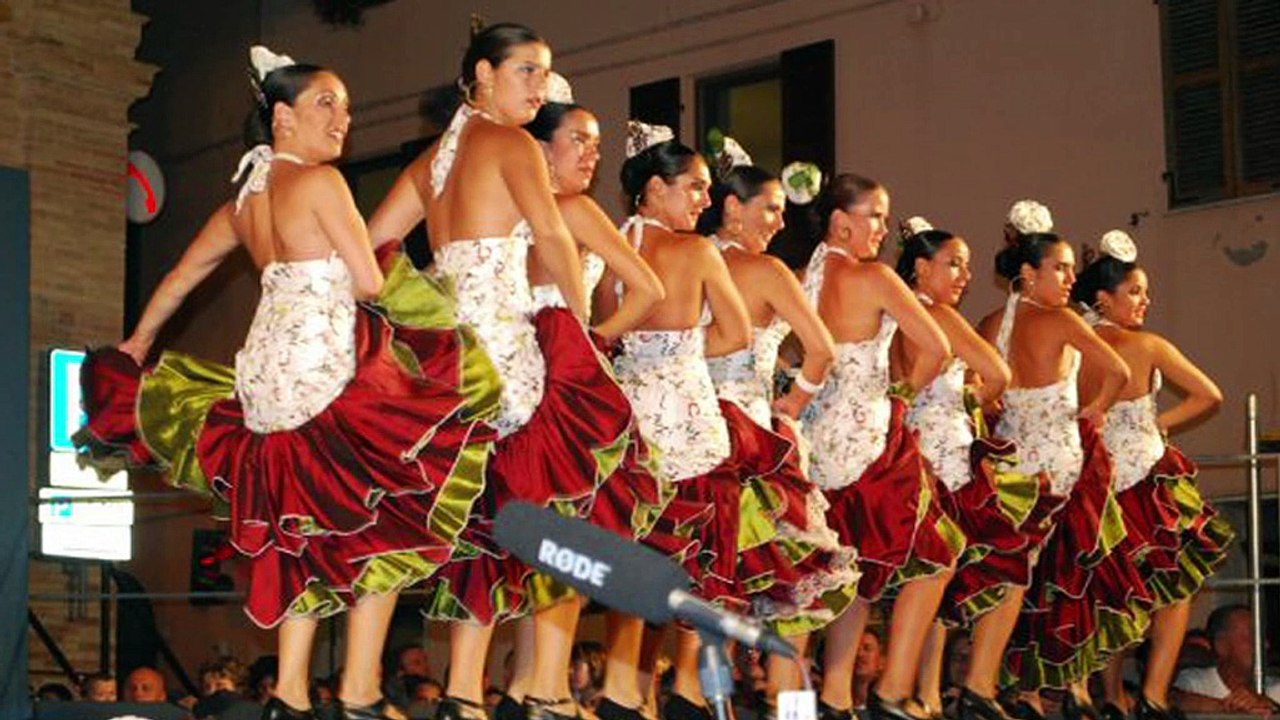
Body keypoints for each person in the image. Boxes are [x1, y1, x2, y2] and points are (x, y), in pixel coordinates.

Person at [77, 46, 498, 720]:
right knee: (393, 506)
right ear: (281, 117)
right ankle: (358, 691)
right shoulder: (322, 185)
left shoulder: (244, 201)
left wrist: (135, 345)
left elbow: (182, 279)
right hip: (324, 373)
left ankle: (293, 692)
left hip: (267, 390)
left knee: (298, 538)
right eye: (326, 103)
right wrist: (432, 302)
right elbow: (368, 281)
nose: (343, 119)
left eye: (347, 107)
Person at [364, 22, 589, 720]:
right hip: (507, 363)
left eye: (544, 73)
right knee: (520, 521)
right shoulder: (513, 143)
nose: (540, 87)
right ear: (483, 75)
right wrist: (578, 345)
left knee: (460, 525)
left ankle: (440, 691)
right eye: (525, 71)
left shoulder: (434, 159)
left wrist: (422, 305)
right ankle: (493, 690)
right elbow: (553, 239)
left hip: (446, 363)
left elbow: (372, 250)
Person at [609, 122, 811, 720]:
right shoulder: (696, 251)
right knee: (699, 551)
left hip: (629, 410)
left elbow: (603, 323)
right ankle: (692, 693)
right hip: (690, 416)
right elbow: (735, 333)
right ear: (654, 188)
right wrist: (685, 350)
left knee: (640, 545)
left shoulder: (615, 243)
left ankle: (629, 689)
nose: (703, 199)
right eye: (693, 188)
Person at [799, 174, 962, 720]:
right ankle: (891, 692)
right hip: (869, 441)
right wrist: (901, 393)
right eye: (875, 216)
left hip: (812, 442)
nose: (884, 229)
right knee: (935, 553)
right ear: (841, 222)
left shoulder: (802, 276)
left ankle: (826, 700)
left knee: (824, 582)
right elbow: (937, 346)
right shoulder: (874, 277)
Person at [697, 153, 859, 700]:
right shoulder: (765, 271)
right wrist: (791, 405)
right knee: (795, 596)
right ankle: (789, 710)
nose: (780, 221)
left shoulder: (684, 258)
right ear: (732, 208)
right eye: (770, 209)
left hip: (691, 431)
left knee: (705, 577)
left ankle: (686, 697)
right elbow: (821, 349)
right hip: (753, 438)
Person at [976, 202, 1140, 720]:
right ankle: (1051, 685)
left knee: (1010, 573)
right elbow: (1116, 371)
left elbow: (979, 392)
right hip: (1057, 464)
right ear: (1028, 273)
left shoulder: (989, 322)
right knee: (1060, 579)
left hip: (1008, 461)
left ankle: (1007, 685)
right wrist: (1091, 414)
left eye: (1072, 268)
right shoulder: (1061, 320)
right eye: (1061, 268)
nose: (1071, 277)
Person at [892, 217, 1054, 720]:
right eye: (954, 264)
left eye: (967, 266)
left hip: (911, 448)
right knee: (964, 570)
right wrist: (968, 400)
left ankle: (927, 692)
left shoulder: (894, 313)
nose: (964, 275)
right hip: (944, 459)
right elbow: (998, 372)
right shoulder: (937, 315)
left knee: (929, 579)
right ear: (921, 268)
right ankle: (943, 689)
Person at [1073, 231, 1235, 720]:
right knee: (1174, 589)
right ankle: (1154, 695)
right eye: (1136, 292)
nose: (1145, 300)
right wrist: (1154, 424)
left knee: (1104, 591)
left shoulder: (1071, 343)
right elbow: (1210, 395)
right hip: (1143, 478)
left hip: (1089, 479)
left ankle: (1108, 696)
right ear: (1105, 297)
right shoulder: (1146, 345)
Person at [1171, 605, 1279, 714]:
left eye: (1262, 638)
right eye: (1252, 637)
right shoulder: (1195, 683)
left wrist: (1272, 708)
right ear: (1221, 645)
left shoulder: (1276, 689)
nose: (1265, 645)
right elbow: (1171, 700)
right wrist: (1230, 708)